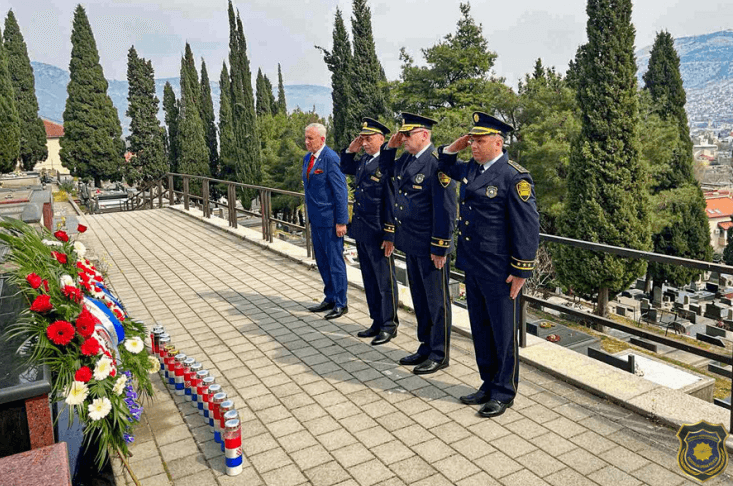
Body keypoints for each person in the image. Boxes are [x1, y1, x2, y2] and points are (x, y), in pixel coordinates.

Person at [438, 112, 539, 418]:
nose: (474, 146)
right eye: (472, 141)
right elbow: (444, 165)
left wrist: (521, 270)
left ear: (498, 142)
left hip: (500, 269)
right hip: (474, 264)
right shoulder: (472, 168)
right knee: (480, 329)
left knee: (503, 332)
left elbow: (527, 226)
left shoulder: (514, 176)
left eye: (480, 141)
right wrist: (455, 145)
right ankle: (487, 383)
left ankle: (504, 391)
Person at [380, 113, 456, 375]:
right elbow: (385, 170)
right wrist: (390, 146)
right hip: (411, 241)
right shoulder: (406, 160)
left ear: (425, 135)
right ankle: (425, 346)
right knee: (420, 299)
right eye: (402, 135)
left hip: (429, 245)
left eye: (408, 135)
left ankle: (439, 353)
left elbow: (445, 209)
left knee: (436, 301)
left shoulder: (437, 163)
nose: (403, 140)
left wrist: (440, 247)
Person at [340, 118, 399, 345]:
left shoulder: (386, 164)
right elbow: (345, 167)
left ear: (382, 140)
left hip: (379, 231)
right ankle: (376, 320)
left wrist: (390, 234)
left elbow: (391, 202)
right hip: (363, 229)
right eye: (362, 138)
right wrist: (349, 151)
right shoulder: (364, 160)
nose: (364, 143)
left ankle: (389, 325)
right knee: (370, 280)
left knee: (385, 282)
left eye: (369, 138)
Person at [303, 123, 349, 319]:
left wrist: (341, 221)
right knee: (322, 262)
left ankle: (341, 302)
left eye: (310, 138)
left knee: (335, 262)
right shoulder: (307, 159)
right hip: (316, 220)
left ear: (322, 139)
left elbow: (340, 192)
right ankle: (329, 297)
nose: (306, 142)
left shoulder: (330, 158)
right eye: (305, 138)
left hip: (331, 222)